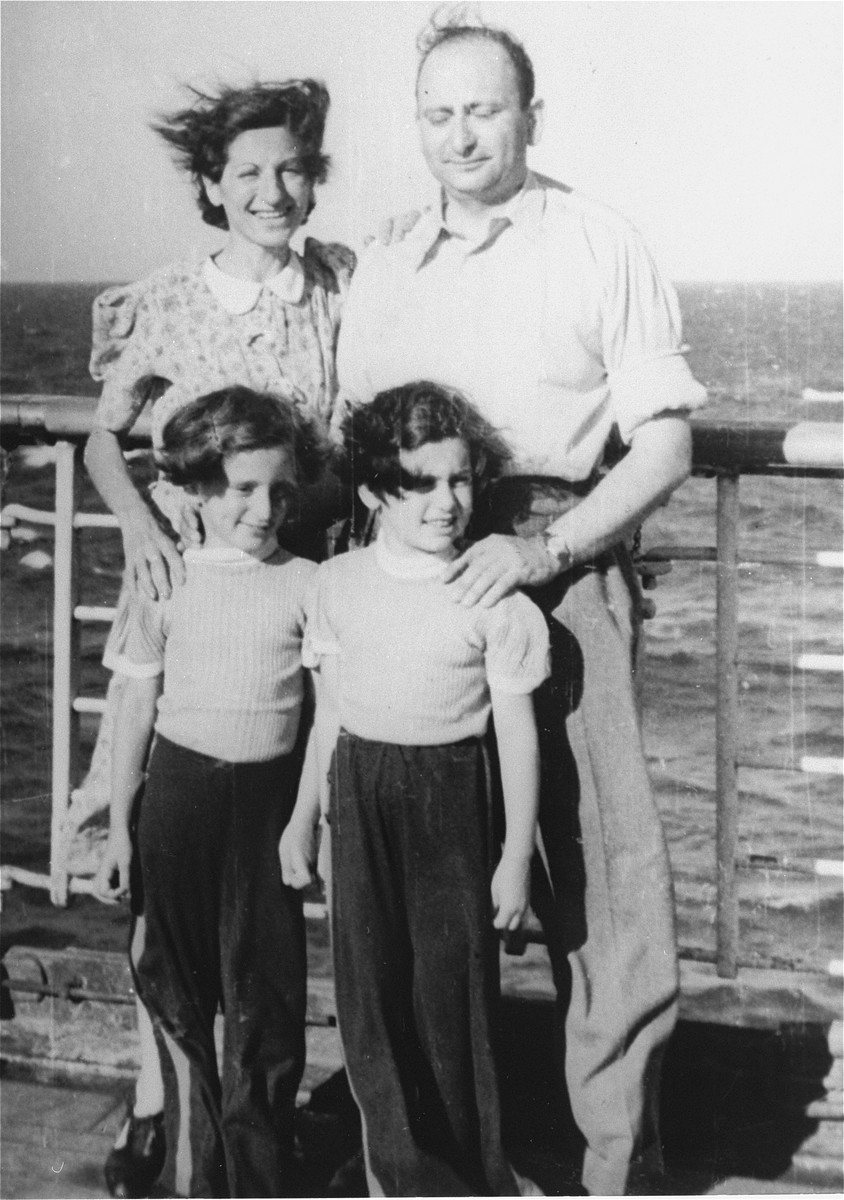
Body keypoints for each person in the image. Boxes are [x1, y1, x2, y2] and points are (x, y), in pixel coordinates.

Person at [334, 14, 708, 1196]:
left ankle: (615, 1163)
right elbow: (355, 441)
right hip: (412, 565)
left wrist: (543, 548)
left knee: (596, 871)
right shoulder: (385, 256)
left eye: (484, 108)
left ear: (529, 116)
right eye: (437, 112)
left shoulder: (599, 241)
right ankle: (433, 1163)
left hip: (557, 561)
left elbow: (662, 449)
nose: (460, 133)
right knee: (420, 871)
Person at [80, 78, 353, 1197]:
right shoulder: (159, 302)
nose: (270, 190)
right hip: (191, 602)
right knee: (170, 881)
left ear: (314, 176)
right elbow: (105, 443)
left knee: (266, 881)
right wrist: (144, 525)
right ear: (210, 185)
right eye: (244, 172)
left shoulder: (340, 285)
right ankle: (160, 1095)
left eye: (290, 168)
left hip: (296, 607)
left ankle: (255, 1117)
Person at [281, 381, 550, 1196]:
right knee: (369, 999)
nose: (447, 502)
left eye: (460, 480)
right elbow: (328, 719)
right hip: (358, 792)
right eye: (420, 484)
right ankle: (393, 1174)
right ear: (371, 492)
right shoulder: (336, 583)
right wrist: (303, 820)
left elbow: (515, 732)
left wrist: (512, 857)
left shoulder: (490, 595)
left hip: (451, 802)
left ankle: (470, 1176)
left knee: (452, 999)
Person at [93, 386, 326, 1198]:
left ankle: (260, 1172)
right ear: (195, 486)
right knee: (177, 993)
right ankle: (197, 1174)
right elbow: (135, 710)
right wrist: (121, 827)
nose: (264, 509)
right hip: (179, 804)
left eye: (281, 489)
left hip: (265, 813)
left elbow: (326, 713)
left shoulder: (309, 583)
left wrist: (306, 821)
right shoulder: (167, 581)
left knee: (265, 1003)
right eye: (242, 488)